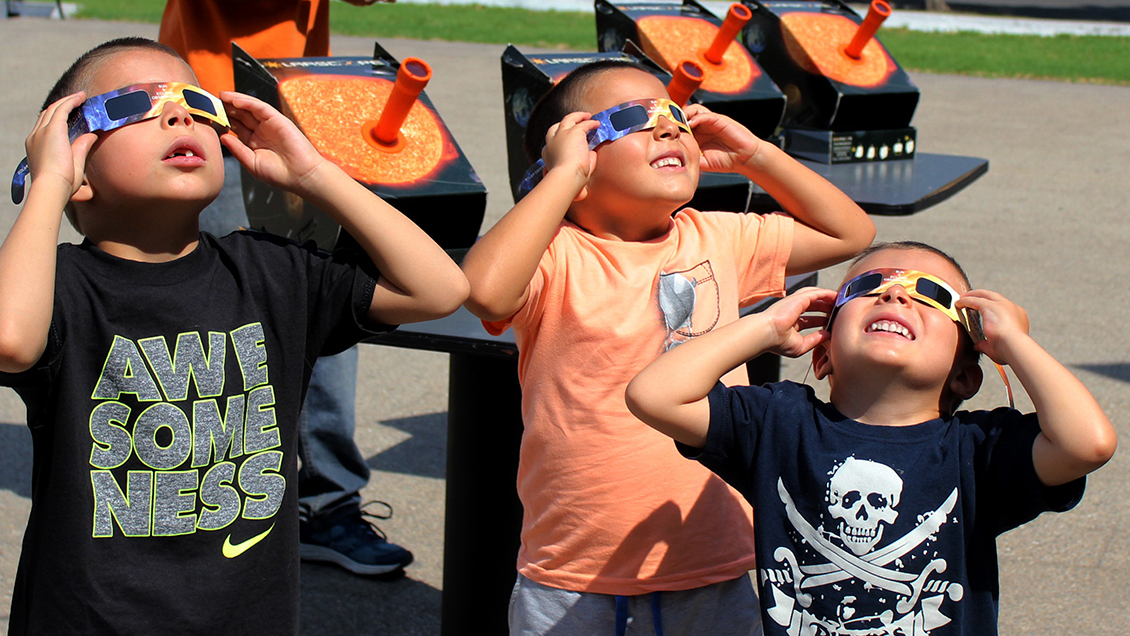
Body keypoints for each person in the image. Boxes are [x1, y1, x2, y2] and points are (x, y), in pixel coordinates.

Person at [0, 37, 468, 634]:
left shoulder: (271, 272)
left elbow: (438, 290)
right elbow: (11, 340)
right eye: (132, 105)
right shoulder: (58, 286)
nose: (179, 116)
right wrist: (48, 185)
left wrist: (316, 174)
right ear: (75, 168)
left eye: (196, 103)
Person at [460, 60, 874, 635]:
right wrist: (562, 175)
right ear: (577, 153)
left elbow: (850, 233)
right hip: (574, 573)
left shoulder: (718, 237)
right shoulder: (555, 254)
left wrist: (756, 155)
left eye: (676, 114)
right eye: (635, 117)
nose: (669, 127)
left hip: (711, 561)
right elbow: (483, 290)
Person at [625, 241, 1117, 634]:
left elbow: (1088, 444)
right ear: (823, 356)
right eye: (866, 286)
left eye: (931, 293)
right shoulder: (778, 423)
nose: (895, 295)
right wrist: (765, 326)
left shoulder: (978, 450)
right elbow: (654, 395)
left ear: (966, 375)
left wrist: (1016, 343)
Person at [158, 0, 414, 576]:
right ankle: (210, 505)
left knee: (322, 300)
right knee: (222, 326)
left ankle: (327, 503)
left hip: (300, 114)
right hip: (212, 118)